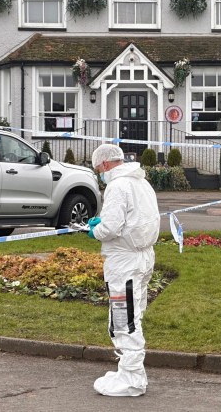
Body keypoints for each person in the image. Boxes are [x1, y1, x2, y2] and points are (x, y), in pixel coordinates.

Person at [88, 144, 160, 397]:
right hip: (142, 257)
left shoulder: (118, 186)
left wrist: (95, 229)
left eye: (98, 169)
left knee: (123, 319)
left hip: (124, 262)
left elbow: (110, 229)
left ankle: (132, 378)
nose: (99, 173)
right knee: (133, 313)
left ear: (105, 165)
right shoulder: (141, 182)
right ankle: (127, 370)